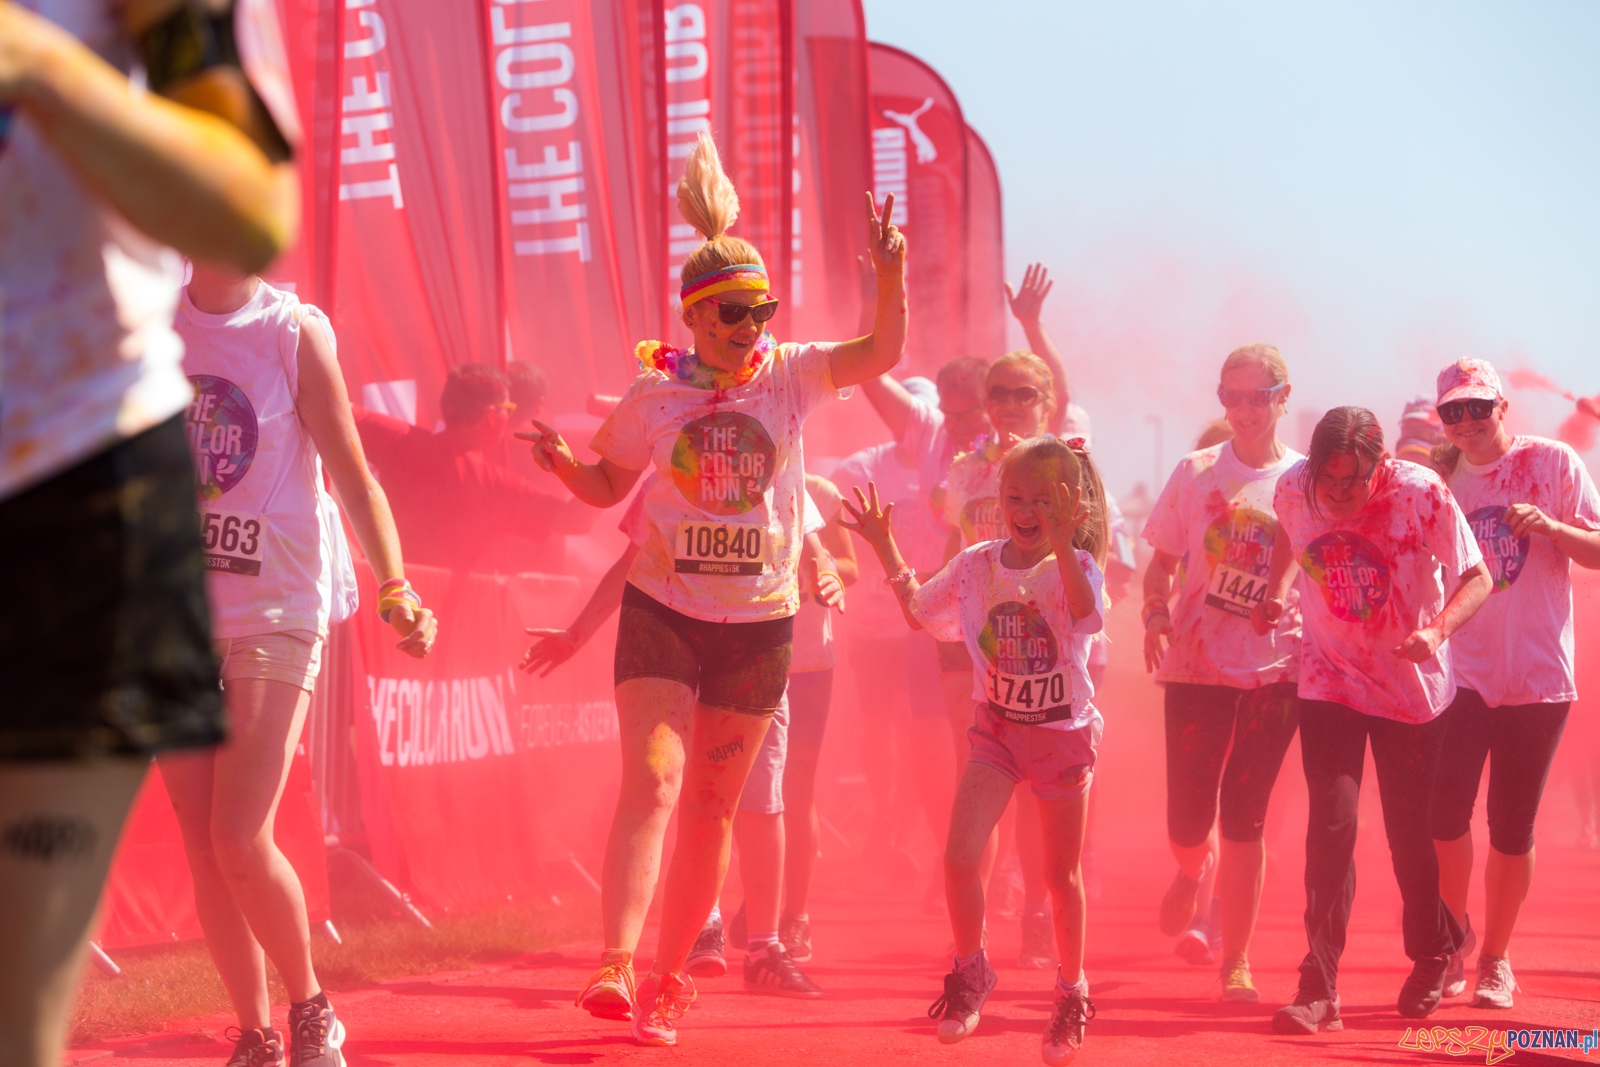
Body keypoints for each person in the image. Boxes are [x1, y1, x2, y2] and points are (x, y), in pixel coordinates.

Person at [518, 130, 906, 1047]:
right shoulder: (652, 399)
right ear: (693, 317)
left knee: (712, 807)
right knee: (653, 780)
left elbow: (882, 352)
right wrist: (565, 464)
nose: (750, 327)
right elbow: (610, 488)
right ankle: (614, 960)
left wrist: (889, 275)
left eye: (760, 310)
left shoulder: (798, 375)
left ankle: (666, 981)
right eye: (731, 313)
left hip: (760, 624)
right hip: (664, 611)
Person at [0, 2, 298, 1063]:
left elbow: (250, 212)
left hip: (73, 493)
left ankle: (290, 1015)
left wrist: (40, 62)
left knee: (13, 1004)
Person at [164, 265, 438, 1067]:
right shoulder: (149, 322)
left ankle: (310, 1006)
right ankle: (255, 1035)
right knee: (201, 837)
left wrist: (394, 584)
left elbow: (354, 474)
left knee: (239, 833)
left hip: (276, 604)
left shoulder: (292, 331)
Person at [842, 435, 1109, 1066]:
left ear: (1070, 507)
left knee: (1058, 876)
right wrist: (882, 544)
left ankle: (1071, 992)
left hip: (1061, 735)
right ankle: (971, 973)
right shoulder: (975, 563)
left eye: (1042, 501)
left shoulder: (1078, 565)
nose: (1025, 509)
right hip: (997, 732)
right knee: (961, 857)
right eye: (1015, 496)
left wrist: (1067, 544)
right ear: (997, 498)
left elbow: (1084, 614)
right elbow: (919, 614)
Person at [524, 478, 847, 997]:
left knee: (758, 803)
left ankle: (765, 947)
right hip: (674, 651)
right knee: (666, 786)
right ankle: (693, 928)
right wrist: (576, 633)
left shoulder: (782, 468)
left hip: (754, 652)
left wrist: (827, 573)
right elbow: (631, 559)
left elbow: (818, 550)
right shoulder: (670, 468)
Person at [1253, 406, 1493, 1033]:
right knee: (1330, 825)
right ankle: (1318, 984)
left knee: (1407, 834)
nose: (1337, 494)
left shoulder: (1421, 494)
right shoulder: (1292, 486)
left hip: (1409, 689)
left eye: (1352, 483)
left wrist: (1437, 631)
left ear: (1379, 467)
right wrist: (1276, 589)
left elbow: (1478, 577)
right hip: (1329, 679)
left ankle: (1435, 949)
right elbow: (1288, 528)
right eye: (1327, 482)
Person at [1425, 359, 1600, 1008]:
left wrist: (1552, 528)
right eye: (1454, 411)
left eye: (1478, 406)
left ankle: (1496, 958)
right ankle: (1452, 939)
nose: (1467, 421)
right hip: (1460, 676)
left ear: (1503, 406)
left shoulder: (1552, 464)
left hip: (1537, 676)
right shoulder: (1438, 480)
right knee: (1443, 814)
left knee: (1510, 824)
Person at [1140, 344, 1304, 1001]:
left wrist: (1288, 593)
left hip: (1275, 670)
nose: (1243, 409)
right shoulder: (1196, 470)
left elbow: (1323, 559)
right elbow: (1160, 565)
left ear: (1282, 397)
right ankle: (1189, 868)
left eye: (1256, 396)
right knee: (1188, 820)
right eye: (1229, 396)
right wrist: (1153, 612)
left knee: (1247, 818)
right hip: (1196, 666)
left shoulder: (1303, 479)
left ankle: (1236, 956)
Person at [935, 350, 1068, 967]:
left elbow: (1093, 555)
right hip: (972, 645)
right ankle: (977, 923)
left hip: (1043, 647)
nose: (1010, 404)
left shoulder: (1068, 466)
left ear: (1046, 401)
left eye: (1024, 394)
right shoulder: (964, 470)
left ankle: (1038, 913)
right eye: (999, 393)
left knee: (1038, 786)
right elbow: (951, 541)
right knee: (978, 773)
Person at [353, 363, 591, 572]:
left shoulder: (401, 441)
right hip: (440, 615)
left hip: (384, 598)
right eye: (508, 409)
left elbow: (338, 408)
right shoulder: (491, 483)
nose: (509, 417)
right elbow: (576, 520)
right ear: (490, 415)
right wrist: (615, 450)